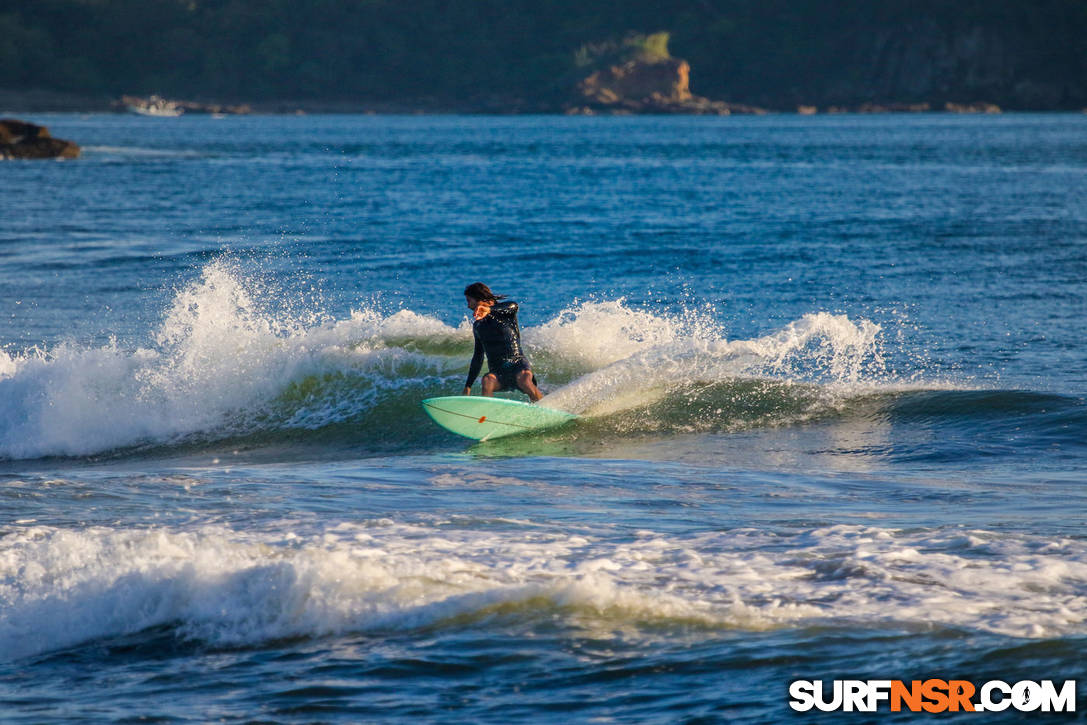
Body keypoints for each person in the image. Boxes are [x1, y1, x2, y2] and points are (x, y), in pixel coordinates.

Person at [462, 282, 543, 402]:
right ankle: (487, 415)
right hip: (498, 371)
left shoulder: (505, 314)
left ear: (480, 298)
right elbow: (478, 356)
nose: (468, 306)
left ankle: (544, 406)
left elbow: (513, 305)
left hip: (517, 364)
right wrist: (468, 385)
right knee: (487, 381)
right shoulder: (478, 326)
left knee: (524, 379)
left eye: (469, 300)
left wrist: (488, 310)